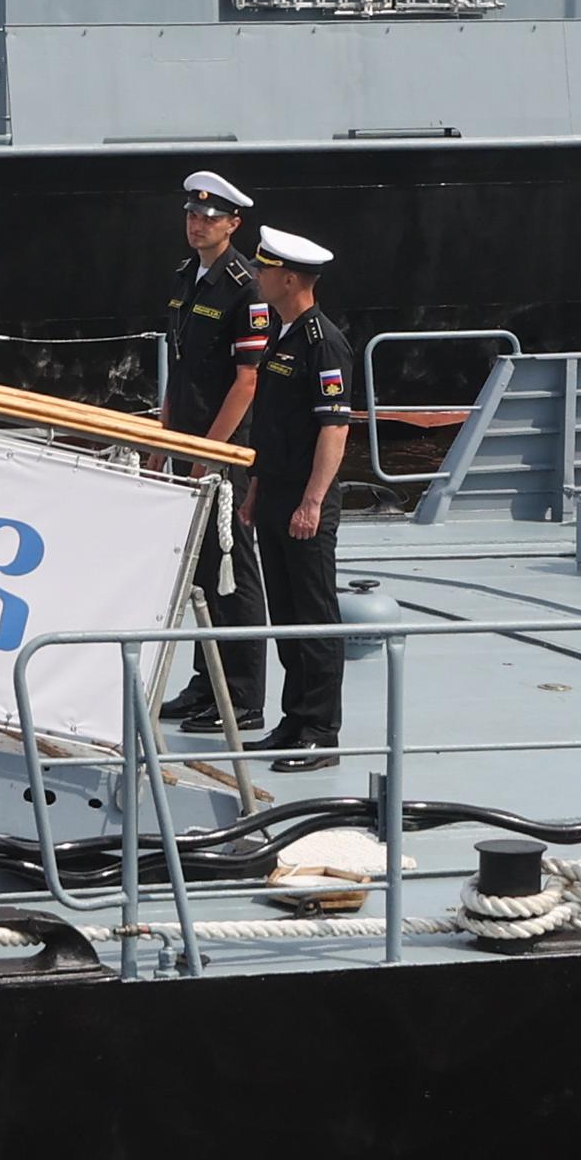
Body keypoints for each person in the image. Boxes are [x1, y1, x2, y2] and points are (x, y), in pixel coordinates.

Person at [152, 169, 269, 734]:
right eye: (192, 215)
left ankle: (242, 696)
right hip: (187, 438)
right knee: (200, 568)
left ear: (233, 224)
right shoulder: (187, 278)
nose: (197, 225)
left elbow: (246, 381)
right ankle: (208, 683)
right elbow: (181, 369)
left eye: (210, 218)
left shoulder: (245, 287)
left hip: (224, 447)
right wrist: (162, 438)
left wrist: (209, 450)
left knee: (232, 565)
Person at [243, 227, 362, 761]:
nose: (258, 276)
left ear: (288, 279)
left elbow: (333, 428)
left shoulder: (323, 342)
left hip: (304, 499)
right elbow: (272, 425)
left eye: (265, 269)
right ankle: (293, 719)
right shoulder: (282, 334)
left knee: (314, 616)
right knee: (287, 615)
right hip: (273, 492)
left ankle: (320, 729)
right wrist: (255, 490)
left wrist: (312, 501)